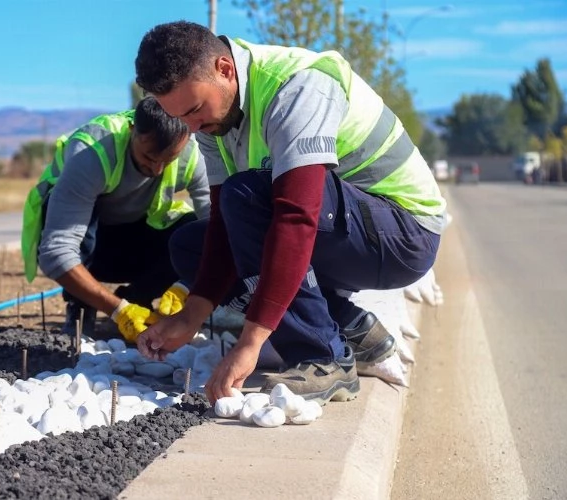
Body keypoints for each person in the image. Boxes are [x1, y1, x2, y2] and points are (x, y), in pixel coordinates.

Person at [133, 21, 447, 405]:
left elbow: (296, 218)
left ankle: (321, 357)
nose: (193, 126)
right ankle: (352, 329)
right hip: (340, 228)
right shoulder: (211, 121)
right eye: (182, 118)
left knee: (246, 195)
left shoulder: (297, 88)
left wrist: (250, 343)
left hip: (401, 234)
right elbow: (222, 229)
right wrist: (190, 315)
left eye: (196, 110)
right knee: (190, 248)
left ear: (225, 69)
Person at [21, 96, 210, 342]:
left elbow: (219, 234)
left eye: (168, 160)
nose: (157, 170)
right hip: (90, 249)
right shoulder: (90, 152)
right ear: (132, 130)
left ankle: (138, 299)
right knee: (82, 223)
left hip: (136, 244)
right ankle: (81, 309)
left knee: (193, 233)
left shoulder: (192, 153)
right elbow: (56, 250)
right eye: (150, 157)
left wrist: (188, 285)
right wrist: (118, 311)